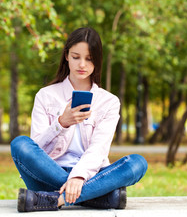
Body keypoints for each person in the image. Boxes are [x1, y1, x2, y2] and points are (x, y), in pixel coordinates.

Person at [10, 27, 148, 212]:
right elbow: (36, 149)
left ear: (97, 61)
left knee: (138, 163)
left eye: (89, 59)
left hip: (91, 175)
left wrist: (79, 176)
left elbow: (98, 149)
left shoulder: (108, 101)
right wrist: (61, 123)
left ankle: (54, 199)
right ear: (66, 56)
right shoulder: (45, 96)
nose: (82, 64)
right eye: (76, 57)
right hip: (48, 173)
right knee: (20, 144)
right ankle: (99, 197)